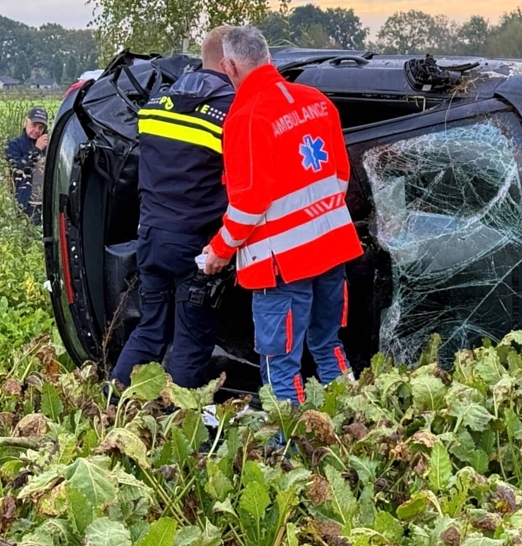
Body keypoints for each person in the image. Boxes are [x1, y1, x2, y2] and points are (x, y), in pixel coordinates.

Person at [202, 26, 363, 405]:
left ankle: (289, 447)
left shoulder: (246, 117)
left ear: (229, 66)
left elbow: (248, 204)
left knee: (280, 363)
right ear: (267, 57)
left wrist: (219, 251)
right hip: (332, 247)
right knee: (327, 345)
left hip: (283, 266)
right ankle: (360, 423)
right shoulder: (317, 101)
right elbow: (340, 175)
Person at [110, 25, 236, 390]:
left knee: (150, 330)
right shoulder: (230, 110)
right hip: (195, 246)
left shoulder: (155, 105)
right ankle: (178, 424)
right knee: (191, 340)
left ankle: (112, 406)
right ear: (230, 63)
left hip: (150, 236)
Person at [5, 107, 50, 224]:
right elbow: (19, 169)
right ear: (26, 122)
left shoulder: (48, 146)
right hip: (26, 203)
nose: (36, 130)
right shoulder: (14, 145)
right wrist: (37, 150)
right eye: (34, 125)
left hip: (47, 204)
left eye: (41, 127)